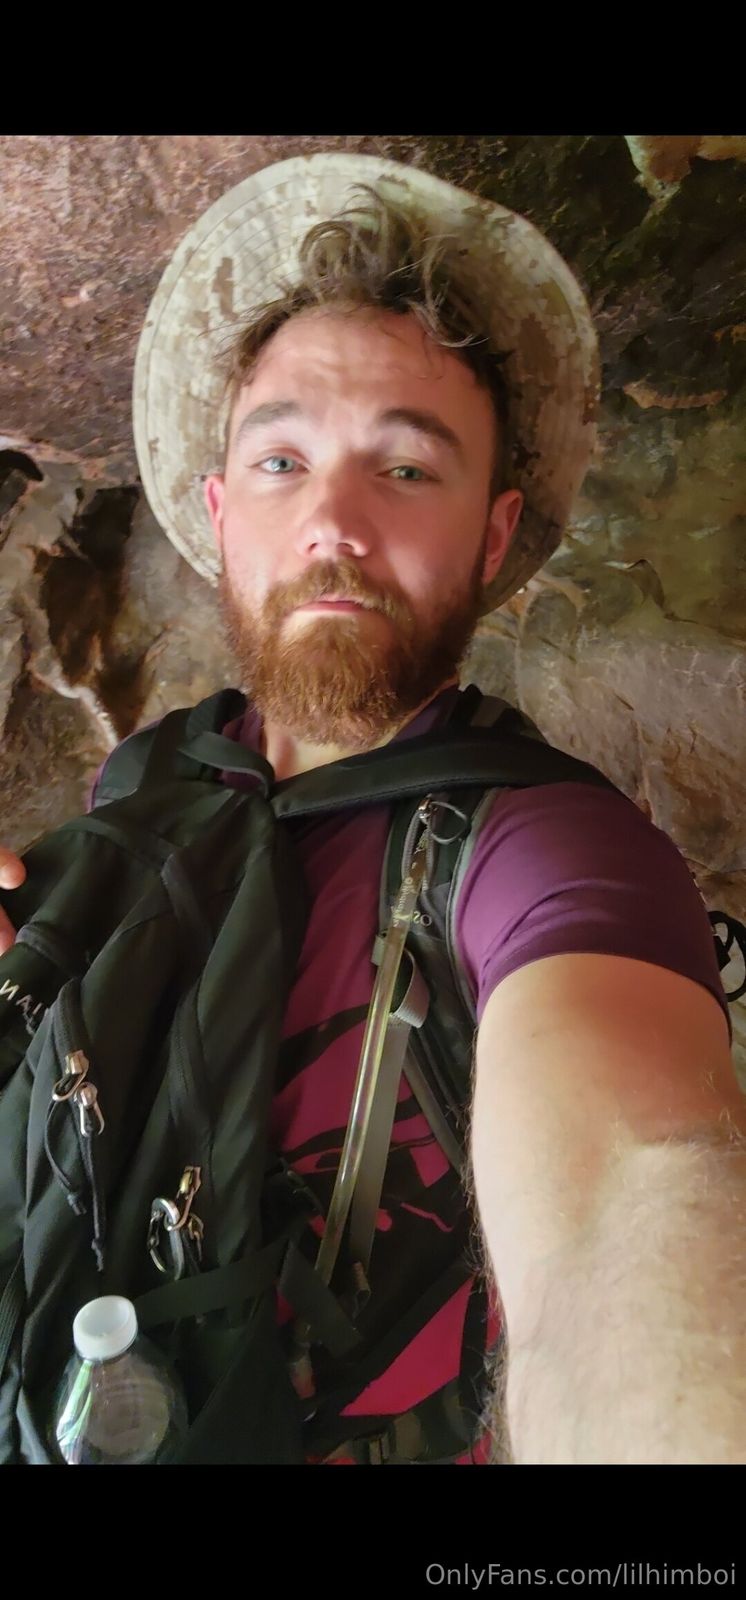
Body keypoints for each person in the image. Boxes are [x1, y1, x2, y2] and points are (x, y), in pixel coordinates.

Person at [2, 153, 745, 1465]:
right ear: (220, 517)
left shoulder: (549, 851)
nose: (332, 521)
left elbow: (633, 1190)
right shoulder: (149, 782)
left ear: (491, 535)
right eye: (282, 460)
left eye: (405, 470)